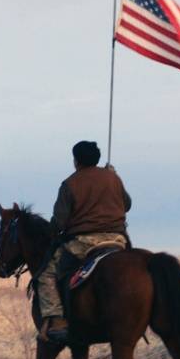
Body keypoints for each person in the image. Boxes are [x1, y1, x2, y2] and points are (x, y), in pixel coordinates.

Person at [38, 141, 132, 343]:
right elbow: (127, 204)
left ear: (76, 161)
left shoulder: (70, 184)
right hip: (118, 240)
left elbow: (59, 221)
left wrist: (52, 233)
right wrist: (113, 176)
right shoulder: (113, 178)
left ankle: (57, 320)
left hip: (85, 243)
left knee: (47, 274)